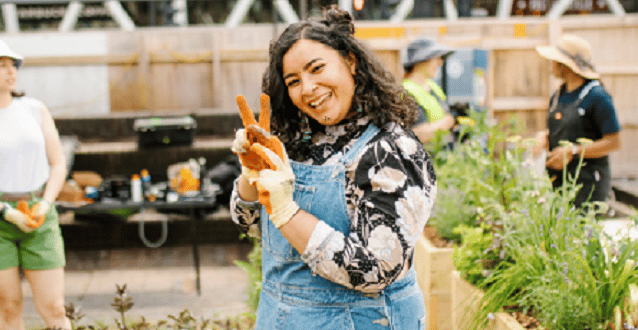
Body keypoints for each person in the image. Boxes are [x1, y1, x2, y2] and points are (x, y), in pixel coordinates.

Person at [230, 6, 435, 329]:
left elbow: (376, 269)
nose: (308, 88)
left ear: (350, 62)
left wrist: (288, 212)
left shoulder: (389, 150)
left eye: (317, 68)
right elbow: (252, 225)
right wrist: (249, 177)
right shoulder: (297, 142)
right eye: (294, 80)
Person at [0, 40, 71, 330]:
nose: (9, 71)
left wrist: (45, 203)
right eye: (1, 65)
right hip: (2, 217)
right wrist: (7, 212)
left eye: (11, 65)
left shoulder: (34, 109)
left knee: (54, 308)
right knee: (8, 306)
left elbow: (58, 163)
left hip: (39, 215)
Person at [534, 34, 621, 208]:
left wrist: (573, 151)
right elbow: (566, 129)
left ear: (566, 65)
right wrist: (545, 136)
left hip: (588, 184)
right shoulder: (558, 96)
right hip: (559, 182)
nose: (551, 65)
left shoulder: (597, 97)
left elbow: (613, 142)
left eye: (554, 61)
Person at [401, 37, 459, 145]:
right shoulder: (406, 92)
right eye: (436, 58)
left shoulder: (432, 87)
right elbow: (417, 135)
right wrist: (448, 121)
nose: (440, 63)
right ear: (422, 60)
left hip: (446, 155)